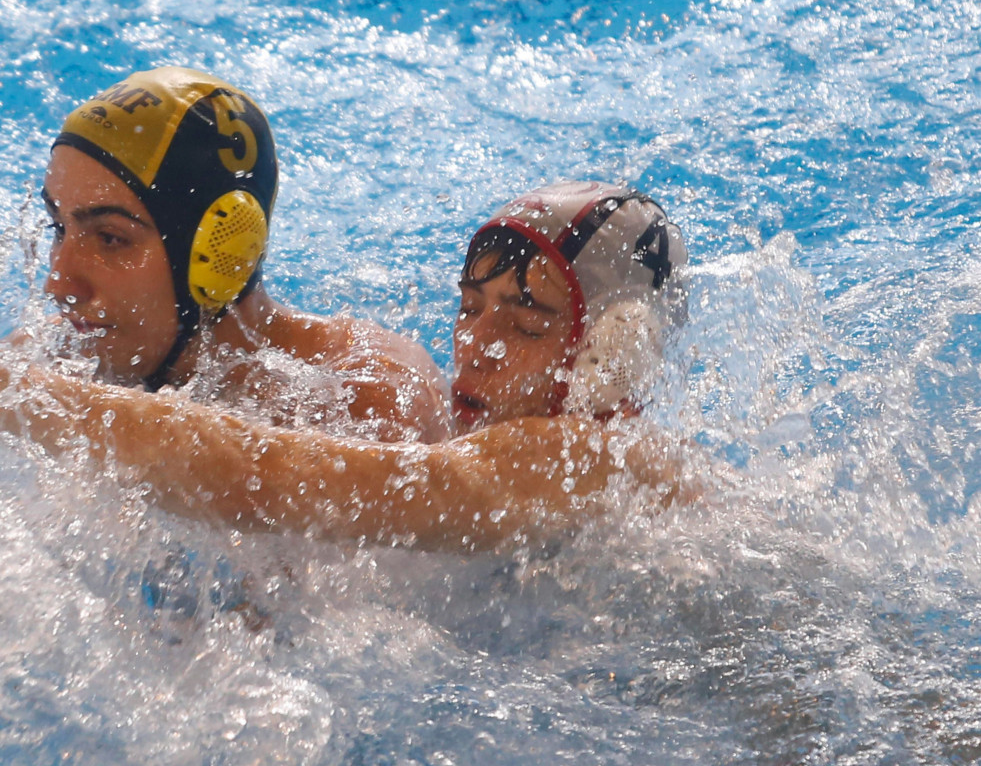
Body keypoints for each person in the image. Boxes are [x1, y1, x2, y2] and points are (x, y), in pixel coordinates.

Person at [0, 180, 693, 553]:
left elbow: (268, 483)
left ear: (607, 357)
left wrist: (20, 391)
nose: (476, 344)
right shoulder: (484, 438)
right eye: (471, 307)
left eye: (524, 323)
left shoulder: (588, 458)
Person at [31, 65, 450, 442]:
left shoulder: (363, 401)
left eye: (109, 238)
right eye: (58, 228)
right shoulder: (57, 353)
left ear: (218, 247)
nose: (59, 284)